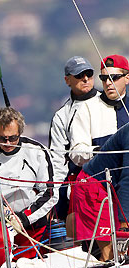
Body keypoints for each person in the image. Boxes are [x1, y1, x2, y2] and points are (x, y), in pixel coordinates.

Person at [0, 107, 57, 259]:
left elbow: (50, 192)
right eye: (2, 138)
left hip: (32, 226)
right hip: (0, 228)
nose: (7, 143)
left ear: (20, 133)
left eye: (13, 138)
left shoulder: (36, 151)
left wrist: (23, 218)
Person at [68, 123, 129, 261]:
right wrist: (125, 228)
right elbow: (127, 182)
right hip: (93, 187)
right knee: (113, 254)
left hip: (111, 188)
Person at [48, 56, 99, 220]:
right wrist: (55, 197)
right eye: (79, 75)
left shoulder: (107, 102)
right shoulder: (61, 116)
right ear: (67, 80)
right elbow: (57, 160)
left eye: (89, 74)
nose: (85, 79)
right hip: (79, 184)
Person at [69, 54, 129, 168]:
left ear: (127, 78)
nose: (108, 83)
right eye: (104, 78)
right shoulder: (87, 108)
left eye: (114, 77)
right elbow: (76, 152)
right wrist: (100, 152)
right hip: (101, 180)